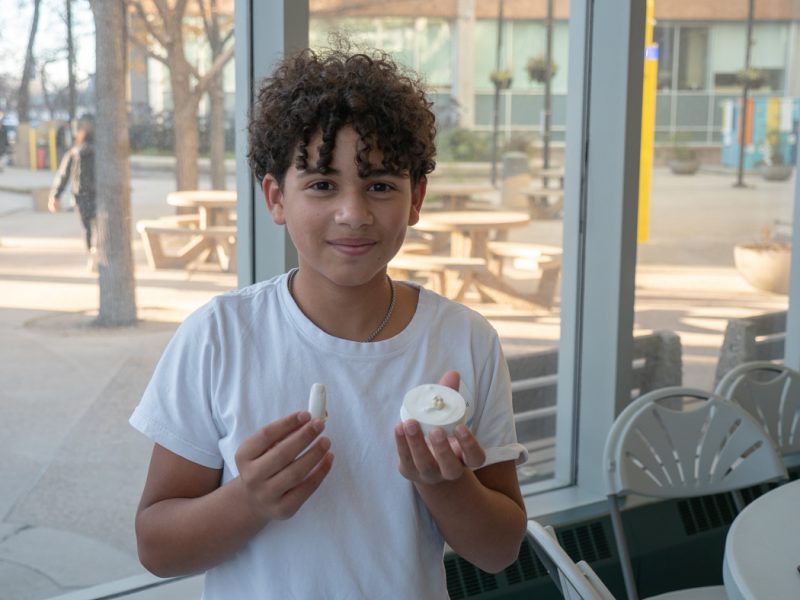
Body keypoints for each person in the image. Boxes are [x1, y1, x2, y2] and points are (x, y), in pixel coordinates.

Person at [129, 43, 527, 599]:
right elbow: (156, 547)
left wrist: (448, 485)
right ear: (275, 197)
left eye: (381, 185)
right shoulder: (219, 336)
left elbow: (499, 551)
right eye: (321, 184)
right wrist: (248, 500)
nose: (353, 213)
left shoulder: (464, 340)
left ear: (416, 199)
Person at [48, 117, 96, 269]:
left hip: (81, 196)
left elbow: (63, 175)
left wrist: (55, 195)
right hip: (99, 195)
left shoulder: (75, 152)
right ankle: (99, 253)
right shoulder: (102, 152)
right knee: (100, 227)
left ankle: (91, 255)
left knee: (87, 228)